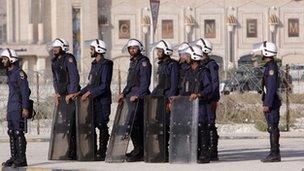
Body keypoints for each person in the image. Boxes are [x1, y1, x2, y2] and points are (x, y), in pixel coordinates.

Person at [78, 39, 113, 161]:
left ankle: (102, 152)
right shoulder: (94, 64)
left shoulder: (106, 64)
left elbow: (104, 86)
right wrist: (80, 92)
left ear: (98, 50)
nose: (90, 51)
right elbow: (90, 84)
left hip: (102, 101)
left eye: (92, 49)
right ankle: (93, 150)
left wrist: (89, 93)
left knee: (102, 125)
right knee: (91, 125)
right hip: (93, 101)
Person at [118, 38, 152, 162]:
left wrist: (138, 95)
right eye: (130, 48)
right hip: (130, 97)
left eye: (134, 48)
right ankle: (137, 148)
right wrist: (124, 93)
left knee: (137, 125)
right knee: (132, 125)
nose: (132, 50)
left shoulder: (144, 62)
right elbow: (130, 82)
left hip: (139, 98)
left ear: (139, 49)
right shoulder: (133, 62)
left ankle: (141, 150)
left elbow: (145, 82)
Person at [179, 45, 212, 163]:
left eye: (188, 56)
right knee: (192, 129)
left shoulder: (204, 72)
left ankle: (205, 154)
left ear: (194, 56)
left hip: (202, 105)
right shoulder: (188, 72)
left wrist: (198, 94)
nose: (186, 58)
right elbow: (184, 88)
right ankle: (195, 153)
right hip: (189, 106)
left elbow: (209, 89)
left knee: (202, 128)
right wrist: (179, 97)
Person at [51, 38, 80, 160]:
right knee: (65, 124)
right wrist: (57, 92)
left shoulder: (69, 58)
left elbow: (74, 76)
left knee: (72, 124)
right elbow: (55, 79)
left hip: (70, 96)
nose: (54, 50)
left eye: (56, 48)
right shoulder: (55, 61)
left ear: (63, 48)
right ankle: (69, 150)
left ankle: (74, 151)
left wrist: (72, 93)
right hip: (62, 96)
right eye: (53, 48)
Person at [1, 49, 31, 167]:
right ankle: (14, 157)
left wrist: (25, 107)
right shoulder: (10, 73)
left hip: (18, 107)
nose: (3, 61)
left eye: (5, 58)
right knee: (11, 132)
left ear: (11, 59)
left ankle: (22, 159)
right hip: (11, 107)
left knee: (19, 132)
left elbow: (25, 91)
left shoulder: (19, 73)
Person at [151, 40, 179, 161]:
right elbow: (160, 84)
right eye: (158, 50)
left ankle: (167, 153)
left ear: (166, 52)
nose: (158, 52)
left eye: (160, 51)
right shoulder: (161, 64)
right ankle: (161, 151)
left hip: (167, 99)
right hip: (160, 98)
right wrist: (152, 95)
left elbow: (173, 84)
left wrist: (170, 100)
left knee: (167, 126)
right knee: (159, 126)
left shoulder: (173, 65)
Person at [256, 41, 282, 162]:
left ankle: (275, 153)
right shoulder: (269, 66)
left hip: (272, 103)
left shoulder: (271, 67)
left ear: (266, 52)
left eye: (262, 51)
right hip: (271, 101)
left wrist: (267, 104)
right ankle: (274, 153)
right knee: (272, 127)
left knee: (273, 127)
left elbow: (271, 88)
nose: (261, 53)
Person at [196, 38, 220, 161]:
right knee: (204, 124)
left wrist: (210, 97)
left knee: (210, 124)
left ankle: (213, 151)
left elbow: (214, 83)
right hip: (204, 98)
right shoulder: (202, 64)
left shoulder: (211, 64)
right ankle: (207, 149)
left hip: (210, 99)